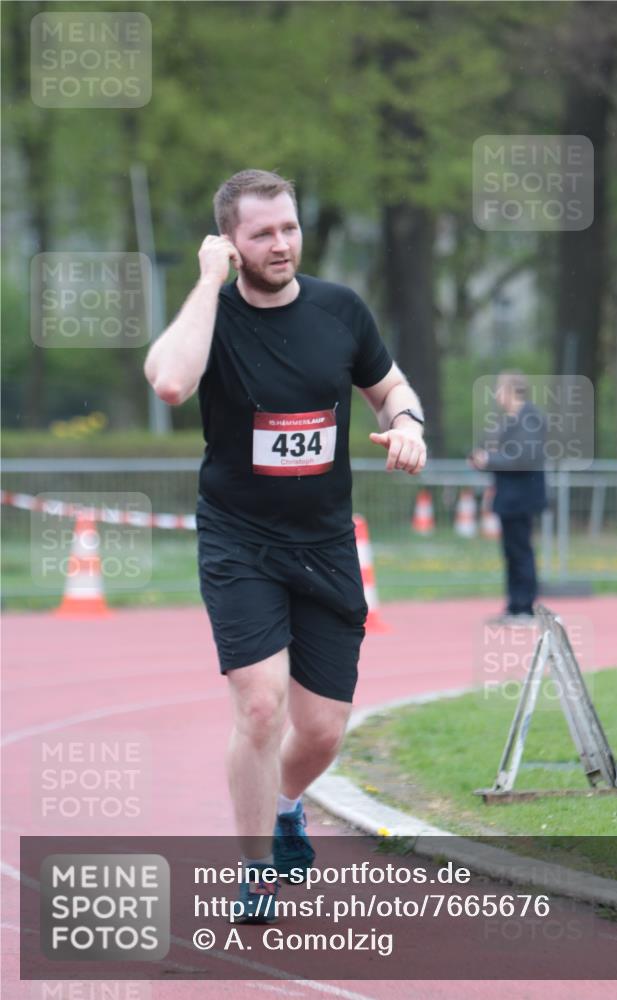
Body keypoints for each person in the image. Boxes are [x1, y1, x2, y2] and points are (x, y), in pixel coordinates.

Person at [144, 169, 426, 921]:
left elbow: (391, 387)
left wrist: (408, 424)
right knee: (261, 707)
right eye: (261, 233)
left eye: (288, 228)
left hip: (325, 543)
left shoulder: (340, 310)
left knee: (323, 729)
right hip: (240, 540)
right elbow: (170, 383)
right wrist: (207, 285)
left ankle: (286, 805)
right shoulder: (215, 317)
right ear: (230, 244)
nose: (280, 244)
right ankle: (255, 869)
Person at [469, 371, 547, 625]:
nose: (497, 395)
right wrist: (484, 459)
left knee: (521, 550)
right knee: (511, 552)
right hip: (508, 495)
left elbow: (524, 458)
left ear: (512, 390)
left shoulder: (530, 419)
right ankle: (514, 606)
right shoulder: (510, 420)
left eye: (500, 389)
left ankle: (525, 607)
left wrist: (490, 459)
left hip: (522, 496)